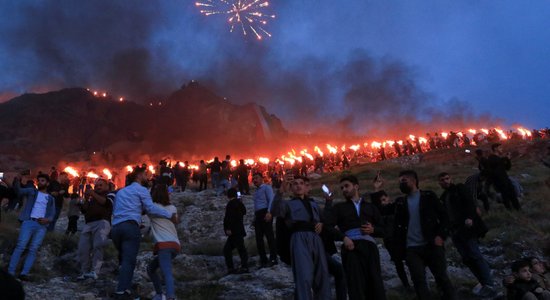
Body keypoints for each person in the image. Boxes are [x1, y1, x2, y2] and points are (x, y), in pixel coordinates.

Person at [111, 166, 178, 299]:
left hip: (116, 229)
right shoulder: (141, 190)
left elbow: (117, 210)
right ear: (139, 175)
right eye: (145, 174)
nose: (147, 177)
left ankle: (126, 288)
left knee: (123, 259)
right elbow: (151, 208)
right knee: (129, 261)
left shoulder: (121, 192)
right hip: (130, 228)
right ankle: (122, 292)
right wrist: (168, 214)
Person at [393, 170, 456, 300]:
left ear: (414, 180)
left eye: (404, 180)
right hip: (412, 249)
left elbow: (444, 216)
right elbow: (385, 212)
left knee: (441, 278)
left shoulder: (428, 196)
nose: (401, 183)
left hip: (431, 244)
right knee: (418, 280)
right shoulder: (400, 202)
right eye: (400, 181)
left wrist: (441, 236)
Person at [325, 175, 386, 300]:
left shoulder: (370, 207)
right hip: (351, 248)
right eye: (342, 188)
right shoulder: (339, 208)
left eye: (347, 186)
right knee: (355, 285)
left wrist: (373, 230)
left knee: (375, 282)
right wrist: (343, 238)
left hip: (370, 248)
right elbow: (328, 226)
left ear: (356, 186)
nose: (344, 190)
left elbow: (384, 228)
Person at [438, 172, 495, 297]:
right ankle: (483, 282)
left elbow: (470, 202)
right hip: (455, 231)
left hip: (467, 228)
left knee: (475, 255)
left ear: (451, 178)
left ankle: (489, 284)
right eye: (442, 180)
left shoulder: (459, 188)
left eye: (447, 178)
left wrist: (470, 217)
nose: (445, 181)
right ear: (439, 182)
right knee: (467, 258)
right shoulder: (443, 197)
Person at [277, 175, 331, 300]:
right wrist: (280, 192)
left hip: (316, 239)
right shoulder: (288, 204)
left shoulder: (313, 204)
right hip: (299, 238)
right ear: (291, 188)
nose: (299, 185)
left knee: (322, 275)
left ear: (305, 186)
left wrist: (328, 203)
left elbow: (325, 219)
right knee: (304, 276)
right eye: (295, 184)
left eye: (301, 183)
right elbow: (276, 211)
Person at [8, 174, 56, 281]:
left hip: (41, 226)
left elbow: (52, 214)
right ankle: (10, 272)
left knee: (33, 249)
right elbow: (19, 191)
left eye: (42, 181)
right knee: (20, 246)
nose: (39, 182)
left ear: (47, 183)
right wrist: (17, 180)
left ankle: (24, 273)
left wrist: (47, 220)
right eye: (38, 180)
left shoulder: (51, 198)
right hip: (29, 222)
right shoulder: (32, 191)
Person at [147, 184, 180, 300]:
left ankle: (170, 297)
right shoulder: (172, 208)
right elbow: (176, 220)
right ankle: (159, 294)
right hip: (174, 244)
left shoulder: (152, 208)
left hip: (164, 244)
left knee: (166, 271)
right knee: (151, 268)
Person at [77, 178, 114, 280]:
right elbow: (85, 210)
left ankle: (95, 271)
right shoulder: (92, 198)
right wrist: (83, 200)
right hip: (88, 223)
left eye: (100, 185)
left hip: (102, 222)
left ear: (106, 186)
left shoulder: (110, 195)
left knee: (98, 246)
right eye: (96, 185)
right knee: (83, 248)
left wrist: (92, 193)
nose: (98, 187)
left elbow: (105, 203)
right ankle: (84, 271)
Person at [252, 172, 277, 267]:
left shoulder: (267, 187)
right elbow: (256, 205)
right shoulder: (256, 191)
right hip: (258, 215)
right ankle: (263, 260)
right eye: (253, 178)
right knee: (259, 239)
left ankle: (273, 258)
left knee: (269, 236)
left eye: (257, 178)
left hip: (265, 212)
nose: (255, 180)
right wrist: (254, 218)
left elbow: (271, 199)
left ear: (262, 178)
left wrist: (269, 212)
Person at [487, 143, 521, 210]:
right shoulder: (491, 158)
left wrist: (508, 160)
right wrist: (505, 159)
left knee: (513, 194)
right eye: (500, 148)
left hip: (505, 179)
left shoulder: (500, 159)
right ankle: (509, 211)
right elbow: (496, 165)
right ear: (495, 149)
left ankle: (518, 209)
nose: (502, 149)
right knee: (505, 196)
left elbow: (507, 168)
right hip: (499, 181)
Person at [222, 188, 248, 274]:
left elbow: (229, 217)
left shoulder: (230, 204)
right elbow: (244, 211)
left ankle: (234, 268)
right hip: (239, 230)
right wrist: (240, 199)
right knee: (241, 249)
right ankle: (243, 267)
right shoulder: (239, 203)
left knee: (228, 250)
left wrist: (228, 228)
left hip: (233, 231)